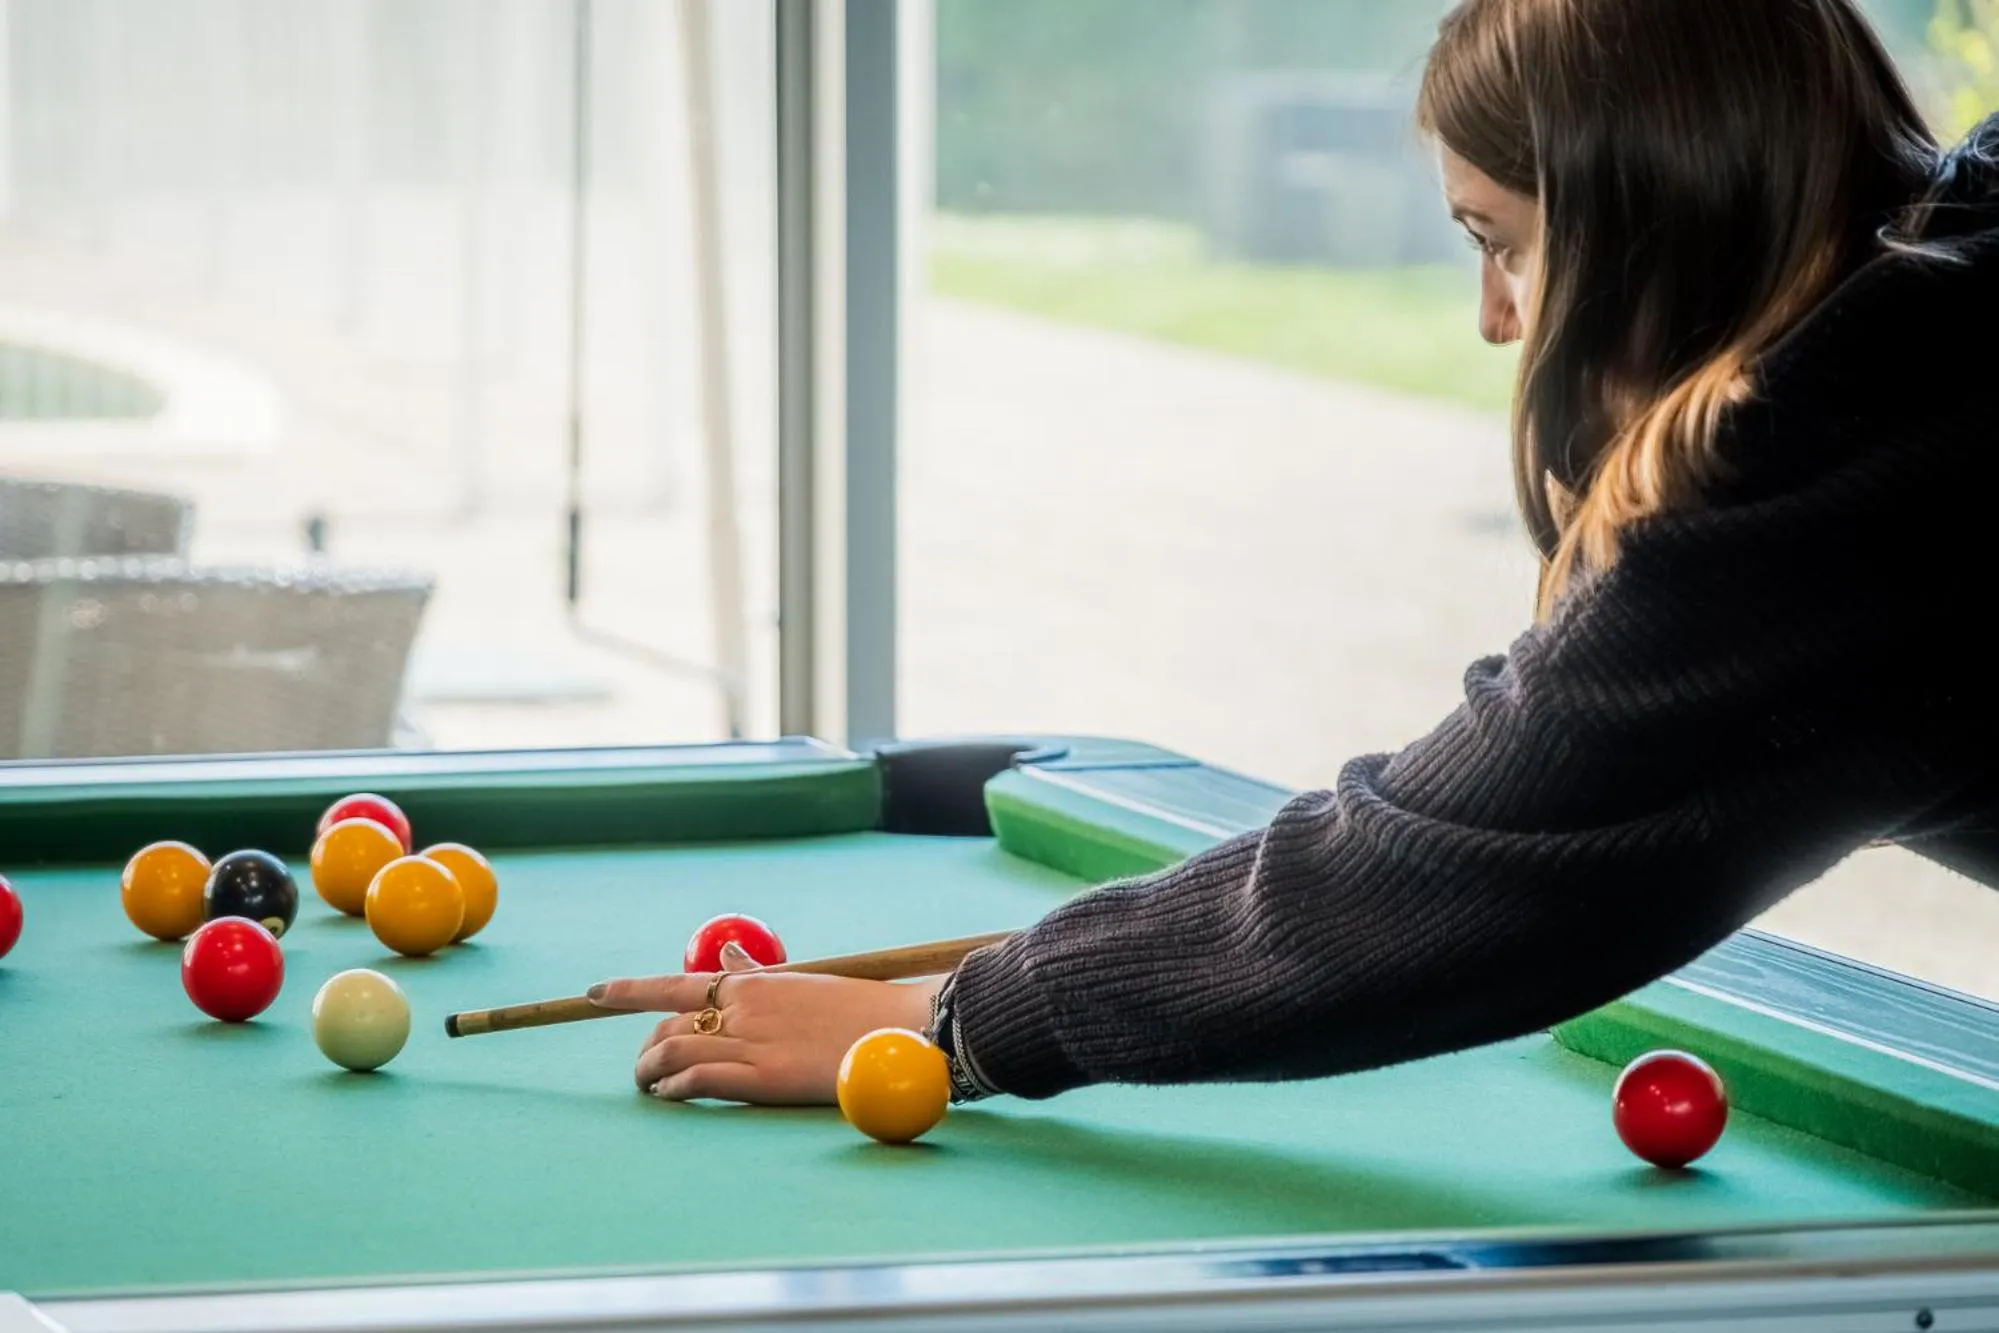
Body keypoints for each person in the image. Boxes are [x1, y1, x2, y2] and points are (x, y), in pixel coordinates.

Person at [591, 0, 1999, 1107]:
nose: (1498, 321)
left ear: (1647, 224)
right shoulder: (1946, 290)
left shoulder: (1844, 449)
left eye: (1499, 242)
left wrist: (947, 1019)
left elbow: (1434, 869)